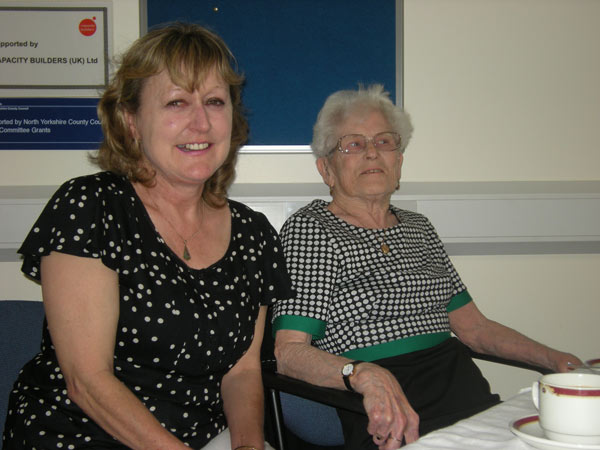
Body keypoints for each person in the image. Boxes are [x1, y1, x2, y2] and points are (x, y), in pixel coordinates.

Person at [2, 23, 291, 450]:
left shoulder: (254, 234)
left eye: (215, 101)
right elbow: (87, 381)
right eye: (176, 102)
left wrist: (248, 445)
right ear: (131, 120)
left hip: (200, 436)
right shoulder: (92, 207)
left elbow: (243, 371)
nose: (201, 122)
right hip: (78, 434)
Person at [271, 84, 582, 450]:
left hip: (458, 384)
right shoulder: (312, 229)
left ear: (399, 161)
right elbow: (288, 353)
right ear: (327, 169)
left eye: (385, 142)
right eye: (353, 144)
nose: (372, 152)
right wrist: (361, 374)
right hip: (381, 393)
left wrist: (555, 359)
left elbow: (475, 329)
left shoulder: (419, 228)